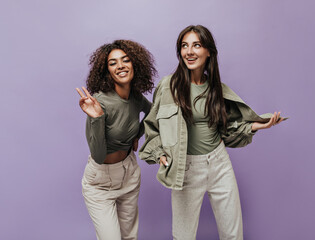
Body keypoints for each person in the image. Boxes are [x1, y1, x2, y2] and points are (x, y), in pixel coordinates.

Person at [139, 25, 285, 240]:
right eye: (184, 46)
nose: (189, 51)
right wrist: (158, 153)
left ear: (209, 51)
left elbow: (226, 131)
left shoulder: (217, 89)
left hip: (219, 164)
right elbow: (152, 125)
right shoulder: (168, 86)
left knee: (233, 234)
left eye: (196, 45)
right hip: (185, 167)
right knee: (183, 235)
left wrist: (258, 125)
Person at [76, 39, 156, 240]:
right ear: (107, 71)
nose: (120, 66)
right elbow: (98, 154)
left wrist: (137, 134)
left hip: (129, 174)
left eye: (125, 60)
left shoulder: (136, 97)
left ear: (134, 64)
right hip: (100, 183)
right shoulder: (100, 102)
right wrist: (97, 118)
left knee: (129, 237)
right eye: (113, 63)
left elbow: (154, 113)